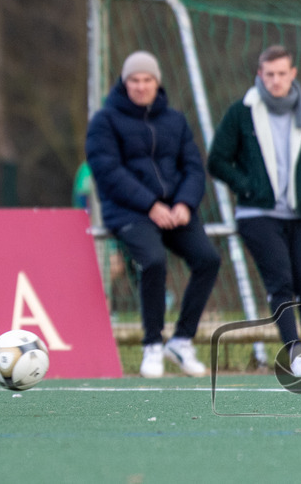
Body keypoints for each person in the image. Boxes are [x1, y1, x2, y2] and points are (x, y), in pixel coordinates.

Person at [85, 51, 221, 377]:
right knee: (154, 261)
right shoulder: (105, 121)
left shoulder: (175, 120)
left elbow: (193, 167)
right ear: (124, 82)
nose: (141, 86)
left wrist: (184, 203)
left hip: (174, 210)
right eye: (134, 80)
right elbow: (108, 172)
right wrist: (150, 205)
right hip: (129, 211)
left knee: (208, 259)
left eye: (147, 80)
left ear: (157, 82)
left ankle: (182, 340)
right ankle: (152, 345)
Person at [207, 45, 301, 377]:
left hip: (299, 216)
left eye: (282, 74)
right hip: (257, 215)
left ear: (293, 74)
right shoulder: (241, 112)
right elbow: (217, 160)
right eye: (269, 74)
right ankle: (295, 355)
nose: (276, 80)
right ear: (259, 75)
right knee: (282, 283)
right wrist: (248, 187)